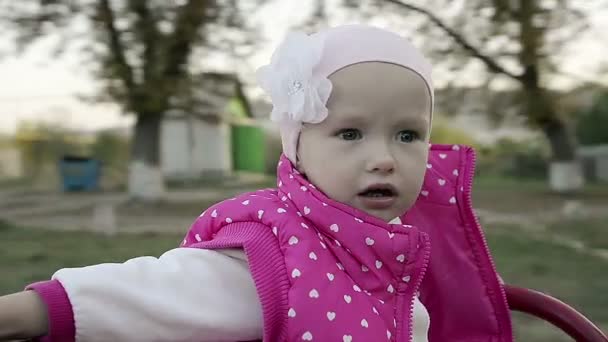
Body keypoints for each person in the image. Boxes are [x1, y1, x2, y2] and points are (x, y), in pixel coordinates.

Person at [0, 24, 513, 342]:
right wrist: (29, 311)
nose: (383, 158)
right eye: (350, 133)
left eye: (407, 134)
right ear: (297, 149)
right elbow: (156, 294)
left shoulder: (406, 238)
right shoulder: (275, 253)